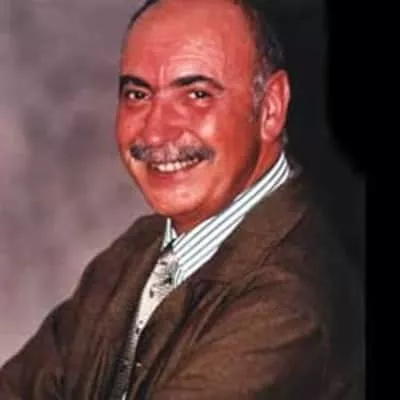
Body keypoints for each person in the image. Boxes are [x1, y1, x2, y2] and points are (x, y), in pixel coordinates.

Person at [0, 0, 365, 398]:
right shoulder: (138, 251)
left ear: (271, 107)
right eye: (138, 94)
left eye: (196, 94)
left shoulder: (293, 303)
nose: (156, 132)